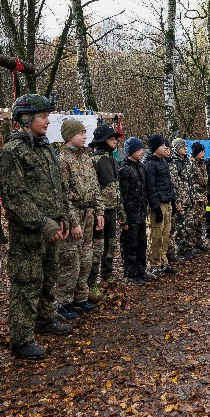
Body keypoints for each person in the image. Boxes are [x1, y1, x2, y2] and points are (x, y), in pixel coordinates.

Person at [0, 94, 71, 361]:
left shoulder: (45, 147)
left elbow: (56, 187)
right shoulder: (13, 151)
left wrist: (63, 217)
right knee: (27, 282)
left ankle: (45, 317)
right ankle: (21, 338)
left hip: (51, 228)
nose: (47, 121)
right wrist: (42, 222)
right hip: (29, 232)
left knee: (48, 276)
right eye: (42, 116)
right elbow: (15, 196)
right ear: (25, 120)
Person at [56, 119, 104, 319]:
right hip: (73, 215)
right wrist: (73, 222)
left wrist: (99, 211)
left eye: (85, 132)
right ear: (69, 136)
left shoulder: (86, 158)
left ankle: (80, 297)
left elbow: (95, 187)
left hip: (89, 214)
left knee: (86, 258)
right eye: (81, 133)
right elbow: (62, 195)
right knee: (70, 260)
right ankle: (64, 302)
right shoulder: (62, 160)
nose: (85, 136)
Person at [88, 124, 124, 301]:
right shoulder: (94, 161)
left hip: (112, 210)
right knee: (97, 248)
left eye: (115, 138)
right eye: (111, 138)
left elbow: (118, 189)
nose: (115, 141)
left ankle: (107, 275)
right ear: (102, 141)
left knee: (111, 245)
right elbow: (91, 189)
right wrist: (96, 212)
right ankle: (91, 283)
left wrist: (121, 212)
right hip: (99, 213)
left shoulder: (114, 160)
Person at [119, 137, 149, 285]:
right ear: (131, 151)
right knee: (130, 244)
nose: (141, 152)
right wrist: (123, 218)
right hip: (130, 215)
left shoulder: (142, 167)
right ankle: (131, 273)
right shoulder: (124, 170)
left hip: (141, 213)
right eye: (138, 149)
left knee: (142, 243)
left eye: (141, 149)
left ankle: (141, 270)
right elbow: (122, 196)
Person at [145, 135, 177, 275]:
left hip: (167, 202)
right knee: (155, 237)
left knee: (165, 236)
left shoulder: (163, 162)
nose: (166, 147)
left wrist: (173, 201)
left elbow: (169, 184)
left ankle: (163, 262)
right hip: (157, 205)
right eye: (162, 145)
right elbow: (150, 188)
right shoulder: (150, 165)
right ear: (155, 148)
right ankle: (154, 264)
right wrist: (155, 207)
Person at [169, 138, 194, 259]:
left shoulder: (187, 161)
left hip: (189, 198)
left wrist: (192, 196)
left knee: (189, 225)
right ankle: (179, 251)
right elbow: (174, 184)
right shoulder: (173, 162)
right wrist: (178, 200)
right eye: (182, 146)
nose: (186, 148)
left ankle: (188, 248)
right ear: (176, 148)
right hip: (180, 200)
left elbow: (190, 181)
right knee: (179, 227)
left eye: (186, 146)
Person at [188, 142, 210, 255]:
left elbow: (205, 182)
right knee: (194, 221)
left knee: (201, 221)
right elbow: (191, 182)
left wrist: (205, 196)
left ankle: (199, 241)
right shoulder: (191, 164)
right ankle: (191, 244)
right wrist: (194, 197)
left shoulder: (202, 163)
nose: (203, 154)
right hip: (195, 198)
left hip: (202, 197)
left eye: (203, 151)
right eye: (201, 152)